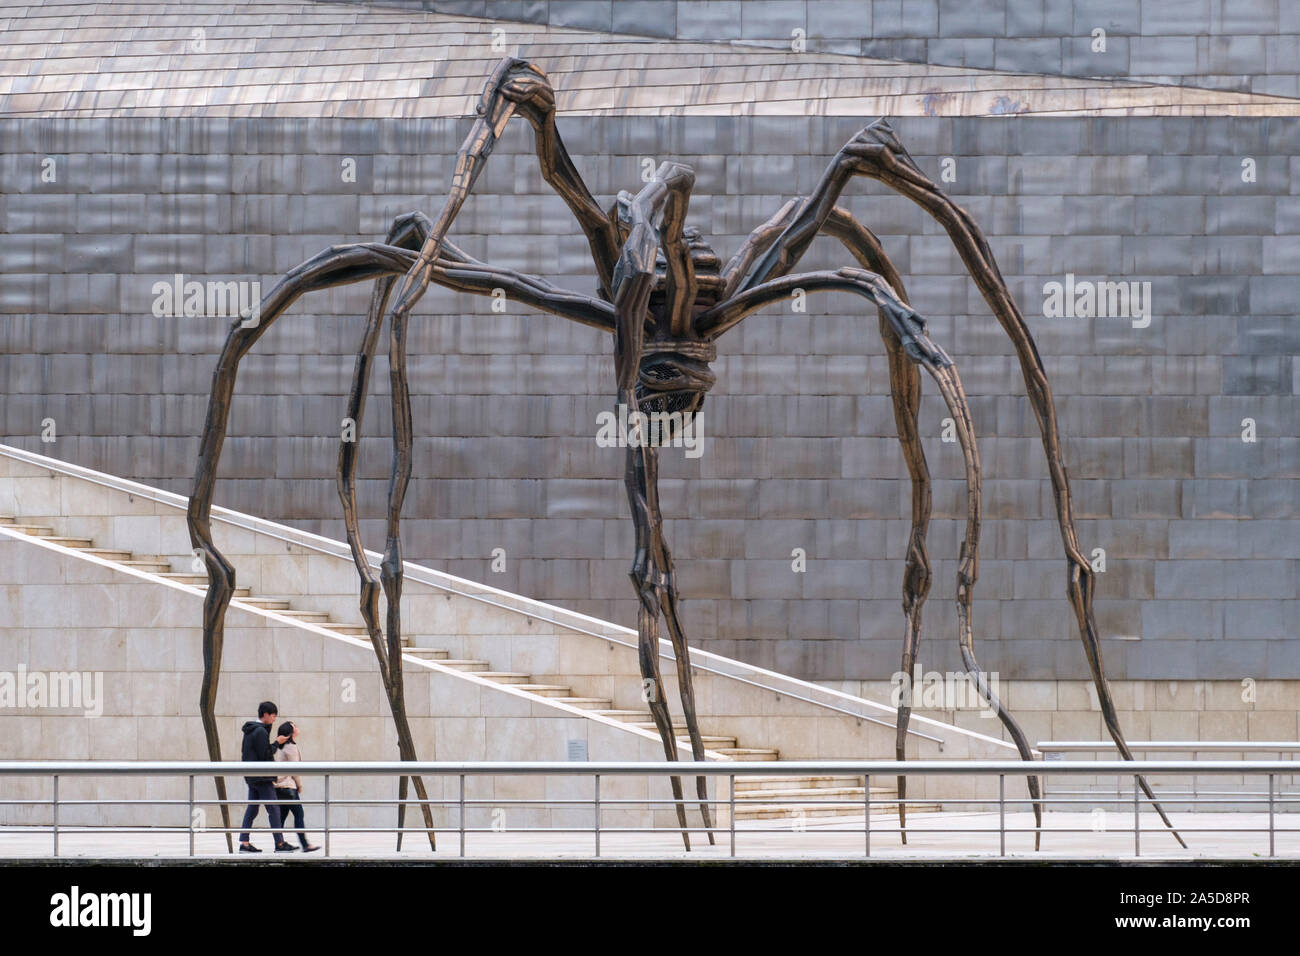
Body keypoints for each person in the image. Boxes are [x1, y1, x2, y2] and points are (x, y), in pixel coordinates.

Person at [238, 700, 296, 853]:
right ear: (265, 715)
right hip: (262, 777)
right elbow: (266, 754)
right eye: (273, 716)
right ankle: (280, 844)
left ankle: (244, 842)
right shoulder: (260, 732)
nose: (274, 719)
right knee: (274, 809)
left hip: (252, 776)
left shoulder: (251, 730)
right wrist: (277, 742)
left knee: (252, 809)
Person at [273, 721, 320, 853]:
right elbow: (295, 770)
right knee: (299, 813)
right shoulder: (291, 748)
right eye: (295, 726)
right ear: (290, 732)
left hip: (280, 787)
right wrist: (299, 785)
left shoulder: (284, 747)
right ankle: (305, 845)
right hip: (288, 787)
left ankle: (279, 844)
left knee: (282, 815)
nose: (297, 727)